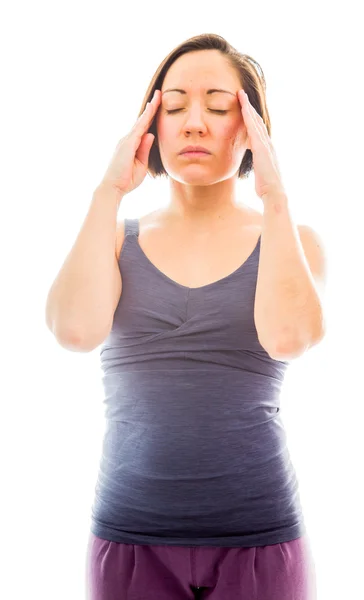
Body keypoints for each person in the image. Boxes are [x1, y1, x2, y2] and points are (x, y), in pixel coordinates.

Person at [46, 33, 322, 600]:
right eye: (174, 106)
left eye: (219, 107)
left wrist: (275, 196)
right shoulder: (114, 242)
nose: (194, 122)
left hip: (262, 540)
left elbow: (290, 337)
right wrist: (108, 190)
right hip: (128, 538)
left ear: (250, 127)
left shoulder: (295, 241)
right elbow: (73, 332)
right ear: (152, 125)